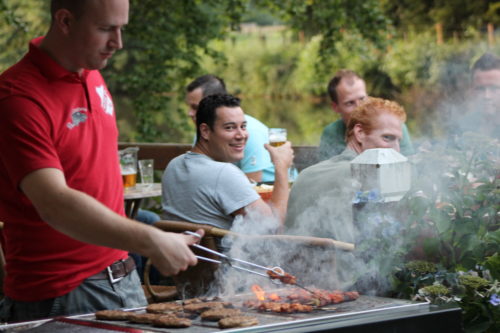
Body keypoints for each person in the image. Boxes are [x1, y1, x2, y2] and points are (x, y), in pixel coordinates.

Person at [0, 0, 202, 322]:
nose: (118, 43)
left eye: (121, 28)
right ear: (65, 21)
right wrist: (150, 239)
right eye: (106, 28)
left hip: (122, 276)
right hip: (64, 293)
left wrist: (152, 242)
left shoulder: (91, 71)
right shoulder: (18, 98)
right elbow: (54, 202)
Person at [285, 97, 407, 287]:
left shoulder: (307, 173)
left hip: (295, 283)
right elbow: (386, 247)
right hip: (344, 288)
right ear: (359, 133)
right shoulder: (367, 175)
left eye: (399, 141)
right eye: (387, 138)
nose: (396, 150)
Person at [162, 94, 294, 230]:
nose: (241, 135)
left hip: (183, 250)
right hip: (222, 252)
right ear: (205, 131)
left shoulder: (174, 165)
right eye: (230, 128)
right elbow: (274, 227)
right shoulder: (223, 173)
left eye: (243, 126)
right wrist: (281, 167)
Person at [186, 75, 275, 183]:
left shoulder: (250, 132)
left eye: (195, 107)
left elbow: (253, 184)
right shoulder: (204, 130)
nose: (189, 113)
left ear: (212, 101)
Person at [318, 69, 414, 160]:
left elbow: (410, 167)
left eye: (362, 99)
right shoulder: (331, 133)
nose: (359, 106)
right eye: (350, 103)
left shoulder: (394, 128)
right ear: (335, 107)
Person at [458, 52, 500, 138]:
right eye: (480, 89)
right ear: (471, 90)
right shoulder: (460, 128)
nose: (487, 96)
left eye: (494, 88)